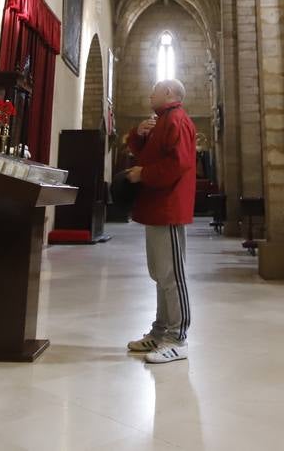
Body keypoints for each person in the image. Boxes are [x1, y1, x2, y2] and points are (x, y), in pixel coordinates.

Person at [123, 78, 197, 364]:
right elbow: (146, 154)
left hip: (168, 206)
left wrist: (144, 175)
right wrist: (139, 134)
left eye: (154, 89)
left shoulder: (177, 119)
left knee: (172, 275)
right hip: (156, 205)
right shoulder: (162, 121)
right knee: (159, 273)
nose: (149, 94)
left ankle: (177, 338)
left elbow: (179, 163)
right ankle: (160, 331)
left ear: (168, 93)